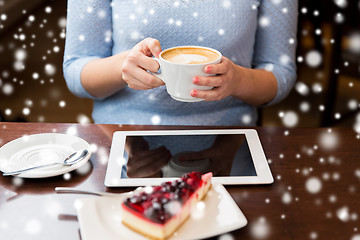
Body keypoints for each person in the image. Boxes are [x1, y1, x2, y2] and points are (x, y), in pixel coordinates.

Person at [63, 0, 298, 126]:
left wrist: (238, 81)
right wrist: (121, 66)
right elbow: (75, 70)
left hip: (229, 138)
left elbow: (281, 72)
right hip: (121, 138)